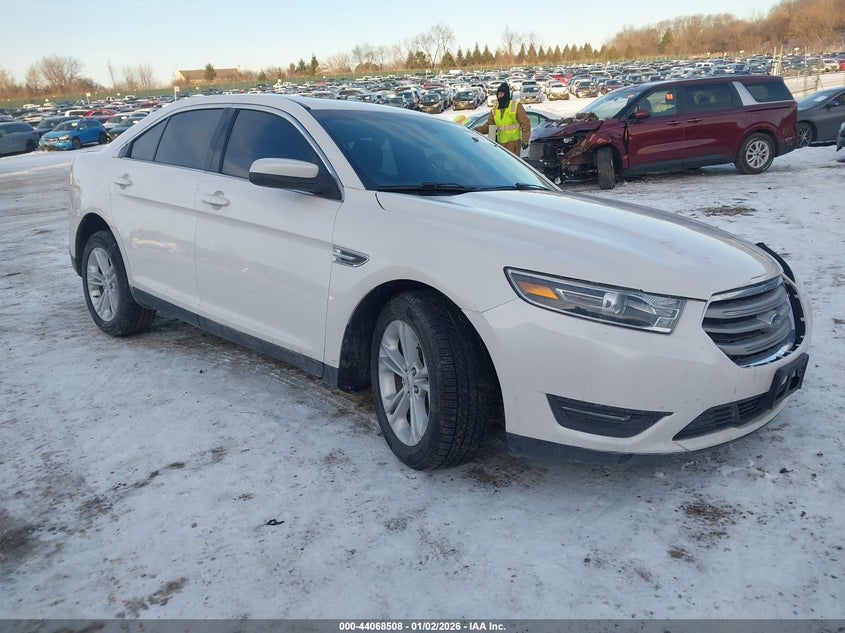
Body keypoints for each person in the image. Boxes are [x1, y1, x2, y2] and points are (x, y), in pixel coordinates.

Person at [475, 82, 531, 156]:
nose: (500, 96)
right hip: (500, 145)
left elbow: (525, 123)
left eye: (502, 94)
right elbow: (489, 126)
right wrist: (476, 130)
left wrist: (525, 140)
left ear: (506, 94)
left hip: (513, 144)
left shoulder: (516, 105)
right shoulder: (494, 109)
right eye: (498, 94)